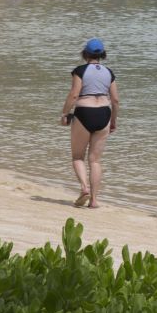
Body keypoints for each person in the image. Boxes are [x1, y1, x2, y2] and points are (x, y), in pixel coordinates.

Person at [61, 38, 118, 210]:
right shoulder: (109, 72)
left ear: (85, 53)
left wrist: (65, 113)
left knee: (78, 156)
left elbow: (74, 95)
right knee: (95, 161)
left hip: (84, 112)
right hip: (104, 113)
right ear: (102, 54)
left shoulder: (80, 71)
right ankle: (94, 200)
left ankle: (84, 188)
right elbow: (115, 100)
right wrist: (113, 120)